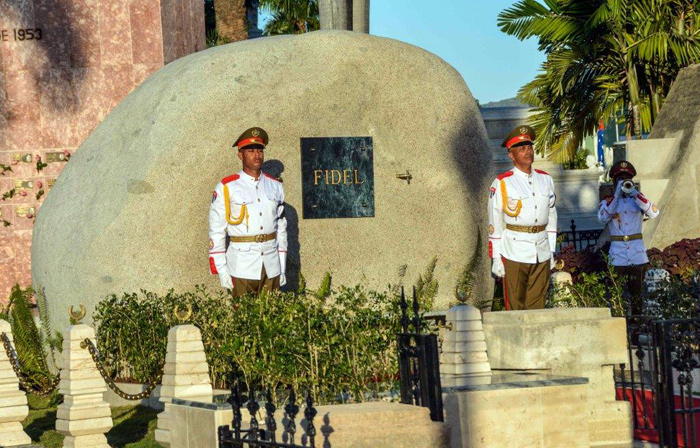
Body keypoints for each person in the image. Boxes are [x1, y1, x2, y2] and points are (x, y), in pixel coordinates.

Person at [208, 127, 288, 296]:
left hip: (271, 266)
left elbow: (281, 229)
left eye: (259, 150)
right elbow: (217, 231)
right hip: (241, 266)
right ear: (240, 155)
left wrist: (282, 266)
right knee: (243, 319)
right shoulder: (227, 187)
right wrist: (222, 270)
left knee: (272, 317)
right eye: (250, 151)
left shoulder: (276, 186)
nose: (256, 155)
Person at [488, 125, 558, 310]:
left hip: (541, 249)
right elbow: (494, 222)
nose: (528, 152)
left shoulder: (546, 179)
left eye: (529, 147)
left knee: (538, 307)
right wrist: (496, 258)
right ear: (511, 155)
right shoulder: (503, 182)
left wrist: (551, 250)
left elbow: (551, 216)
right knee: (515, 308)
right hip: (514, 251)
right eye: (521, 149)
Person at [597, 160, 659, 314]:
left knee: (637, 294)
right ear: (614, 182)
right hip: (617, 255)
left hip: (637, 254)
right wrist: (616, 196)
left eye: (626, 178)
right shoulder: (608, 202)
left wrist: (636, 194)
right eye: (620, 179)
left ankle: (639, 326)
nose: (623, 182)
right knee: (616, 295)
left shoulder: (637, 200)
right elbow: (603, 217)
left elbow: (653, 213)